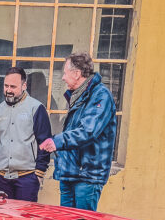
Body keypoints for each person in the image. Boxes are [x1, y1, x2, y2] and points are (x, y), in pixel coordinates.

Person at [39, 52, 116, 211]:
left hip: (86, 176)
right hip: (69, 174)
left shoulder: (100, 96)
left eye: (65, 73)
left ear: (77, 74)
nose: (63, 78)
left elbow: (88, 132)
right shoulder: (79, 96)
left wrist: (56, 141)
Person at [0, 67, 51, 202]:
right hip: (0, 178)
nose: (8, 90)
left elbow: (44, 142)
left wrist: (39, 173)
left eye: (13, 87)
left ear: (24, 86)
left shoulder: (36, 108)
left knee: (25, 215)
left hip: (27, 179)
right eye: (6, 86)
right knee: (2, 215)